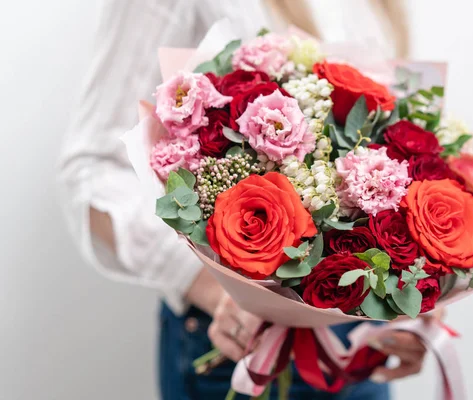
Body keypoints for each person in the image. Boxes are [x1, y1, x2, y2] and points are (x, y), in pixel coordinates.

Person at [57, 0, 432, 399]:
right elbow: (91, 172)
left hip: (358, 348)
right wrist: (217, 288)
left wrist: (414, 292)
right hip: (235, 345)